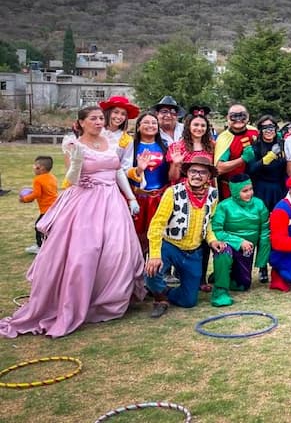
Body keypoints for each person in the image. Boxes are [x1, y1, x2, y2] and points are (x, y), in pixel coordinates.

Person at [1, 106, 144, 338]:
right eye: (93, 119)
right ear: (81, 123)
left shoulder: (110, 139)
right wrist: (77, 162)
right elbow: (71, 179)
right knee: (84, 253)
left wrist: (130, 197)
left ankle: (108, 301)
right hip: (86, 202)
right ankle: (76, 301)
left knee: (117, 252)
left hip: (112, 202)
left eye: (100, 118)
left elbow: (117, 171)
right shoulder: (72, 143)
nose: (99, 122)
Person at [144, 155, 225, 318]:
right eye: (193, 171)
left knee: (189, 301)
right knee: (151, 271)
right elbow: (157, 224)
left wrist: (212, 239)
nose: (197, 175)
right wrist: (154, 254)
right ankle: (159, 298)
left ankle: (167, 291)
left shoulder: (213, 195)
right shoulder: (172, 192)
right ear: (187, 173)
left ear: (209, 176)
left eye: (202, 172)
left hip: (193, 251)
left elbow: (208, 221)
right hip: (170, 245)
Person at [209, 174, 270, 307]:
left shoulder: (259, 204)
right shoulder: (224, 206)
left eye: (250, 189)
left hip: (247, 250)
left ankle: (222, 274)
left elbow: (265, 231)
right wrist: (239, 242)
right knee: (223, 251)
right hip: (229, 245)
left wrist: (261, 260)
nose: (249, 193)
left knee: (243, 285)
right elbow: (217, 230)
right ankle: (220, 291)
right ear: (236, 192)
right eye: (244, 191)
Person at [246, 114, 287, 283]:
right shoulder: (254, 148)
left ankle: (278, 265)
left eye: (272, 127)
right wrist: (267, 158)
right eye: (265, 128)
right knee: (262, 230)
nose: (268, 131)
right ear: (260, 131)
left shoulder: (283, 145)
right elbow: (250, 170)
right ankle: (262, 267)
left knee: (279, 228)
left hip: (279, 189)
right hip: (261, 190)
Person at [128, 111, 170, 255]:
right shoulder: (131, 147)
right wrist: (139, 169)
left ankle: (158, 270)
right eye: (146, 122)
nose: (150, 125)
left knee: (159, 235)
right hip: (138, 198)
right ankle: (136, 270)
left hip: (160, 198)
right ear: (138, 127)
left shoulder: (165, 147)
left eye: (154, 123)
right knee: (136, 236)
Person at [214, 104, 260, 199]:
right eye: (234, 116)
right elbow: (219, 168)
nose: (238, 119)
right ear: (228, 118)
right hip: (232, 189)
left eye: (242, 115)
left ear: (247, 117)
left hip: (255, 185)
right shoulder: (224, 138)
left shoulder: (254, 131)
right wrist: (243, 159)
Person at [20, 155, 59, 255]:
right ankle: (52, 245)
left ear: (40, 168)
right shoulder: (52, 177)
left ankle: (40, 246)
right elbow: (47, 191)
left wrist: (25, 199)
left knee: (39, 226)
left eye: (35, 165)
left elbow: (37, 194)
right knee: (50, 227)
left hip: (46, 209)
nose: (33, 167)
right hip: (56, 207)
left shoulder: (38, 179)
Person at [167, 113, 215, 183]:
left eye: (203, 125)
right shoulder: (177, 147)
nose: (199, 128)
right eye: (196, 125)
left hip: (206, 189)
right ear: (188, 126)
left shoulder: (212, 145)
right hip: (185, 188)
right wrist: (176, 164)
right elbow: (173, 178)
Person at [100, 95, 140, 171]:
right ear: (108, 112)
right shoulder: (95, 131)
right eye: (116, 112)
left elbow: (126, 166)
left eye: (123, 114)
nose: (119, 117)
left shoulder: (127, 140)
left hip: (113, 179)